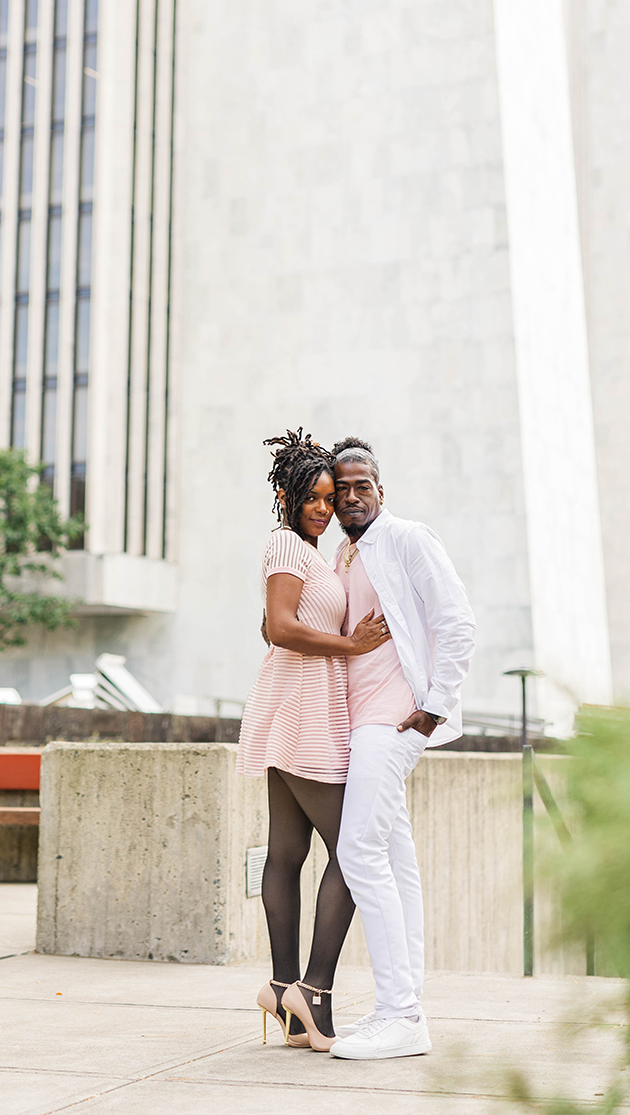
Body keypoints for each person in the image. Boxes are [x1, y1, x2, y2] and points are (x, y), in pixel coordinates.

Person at [322, 437, 476, 1062]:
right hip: (361, 720)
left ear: (381, 490)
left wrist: (437, 703)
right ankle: (406, 1005)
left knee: (357, 848)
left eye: (364, 485)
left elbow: (456, 620)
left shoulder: (409, 538)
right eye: (343, 489)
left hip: (394, 720)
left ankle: (400, 1013)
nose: (353, 496)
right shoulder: (344, 554)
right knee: (393, 856)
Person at [238, 428, 390, 1052]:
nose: (325, 508)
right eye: (313, 499)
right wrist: (351, 645)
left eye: (330, 498)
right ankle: (316, 991)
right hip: (301, 712)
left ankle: (282, 987)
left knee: (288, 852)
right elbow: (278, 628)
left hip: (298, 706)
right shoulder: (287, 546)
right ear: (285, 496)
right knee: (353, 853)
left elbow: (272, 622)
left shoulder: (309, 551)